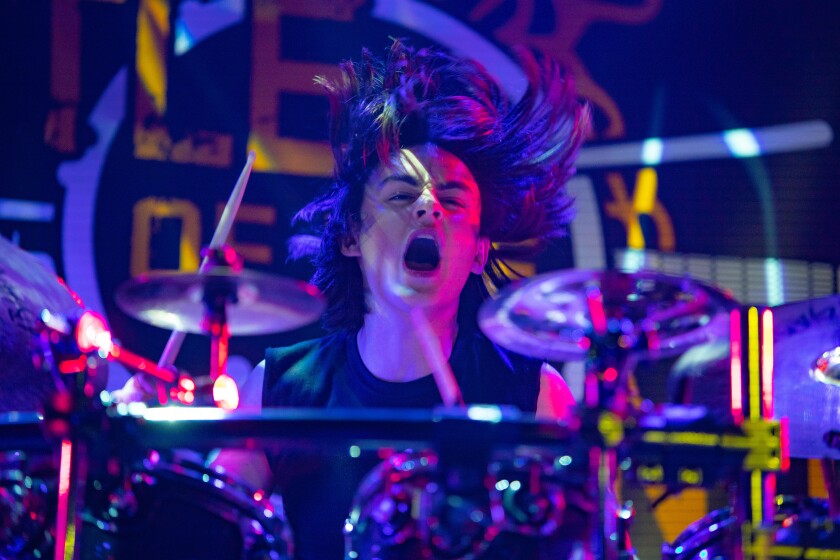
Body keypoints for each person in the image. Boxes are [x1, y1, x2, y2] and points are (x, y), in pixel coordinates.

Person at [215, 40, 592, 558]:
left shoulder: (533, 399)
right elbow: (209, 517)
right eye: (400, 194)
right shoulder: (283, 387)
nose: (429, 207)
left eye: (452, 200)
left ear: (480, 251)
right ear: (350, 236)